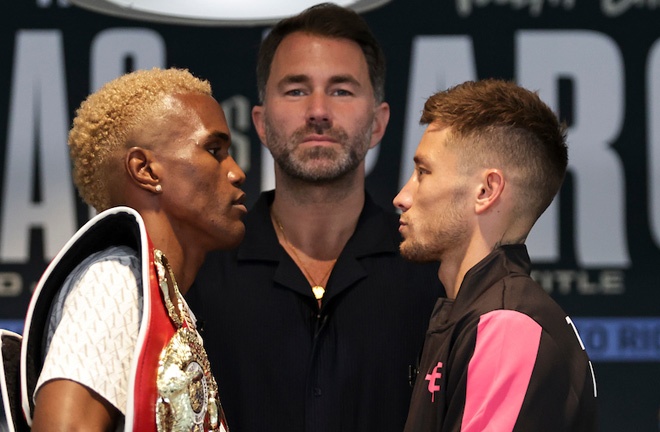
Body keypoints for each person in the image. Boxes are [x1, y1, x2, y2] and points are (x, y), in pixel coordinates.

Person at [186, 3, 444, 432]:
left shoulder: (431, 273)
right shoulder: (200, 269)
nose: (319, 111)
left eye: (341, 90)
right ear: (262, 123)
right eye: (296, 90)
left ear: (379, 123)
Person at [19, 67, 247, 431]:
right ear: (146, 170)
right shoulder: (115, 280)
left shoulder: (155, 294)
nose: (237, 172)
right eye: (214, 150)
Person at [395, 79, 598, 431]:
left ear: (486, 190)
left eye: (423, 173)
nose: (402, 197)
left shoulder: (506, 326)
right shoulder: (482, 314)